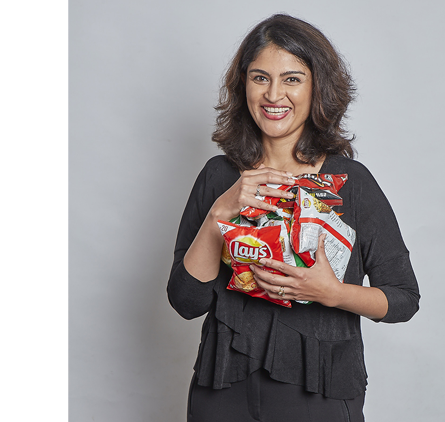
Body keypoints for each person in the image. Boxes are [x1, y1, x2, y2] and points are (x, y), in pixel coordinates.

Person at [167, 14, 419, 422]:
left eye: (292, 79)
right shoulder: (219, 177)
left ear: (317, 86)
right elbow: (185, 301)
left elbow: (404, 298)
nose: (273, 94)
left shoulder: (350, 183)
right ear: (243, 84)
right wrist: (221, 211)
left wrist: (332, 293)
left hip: (320, 391)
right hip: (222, 391)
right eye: (260, 77)